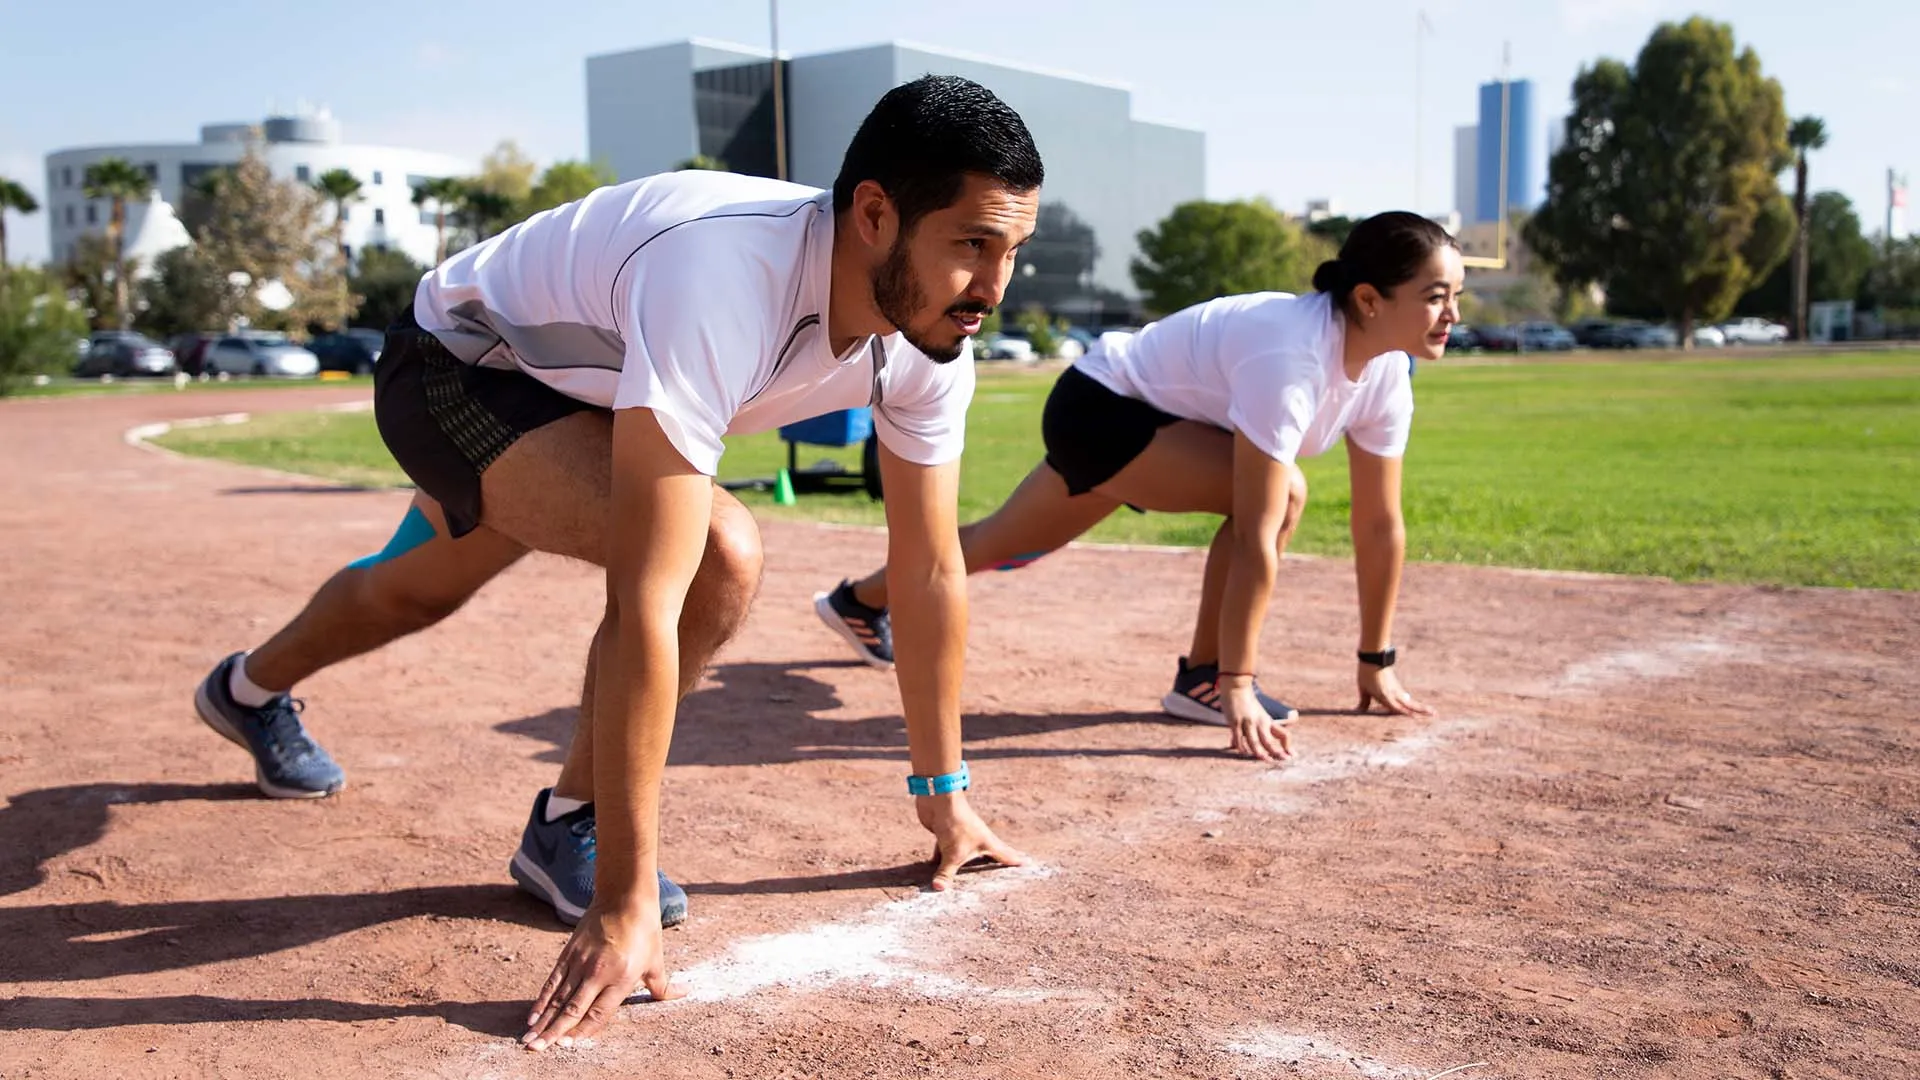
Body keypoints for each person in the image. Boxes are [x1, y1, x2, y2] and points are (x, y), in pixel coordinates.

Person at [192, 74, 1043, 1051]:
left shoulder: (931, 342)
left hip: (590, 386)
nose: (993, 288)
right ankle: (572, 827)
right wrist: (622, 898)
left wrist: (945, 798)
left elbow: (930, 573)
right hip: (460, 366)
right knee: (718, 555)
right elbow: (649, 595)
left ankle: (248, 689)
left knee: (415, 587)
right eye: (972, 245)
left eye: (1013, 250)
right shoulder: (724, 275)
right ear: (876, 215)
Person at [815, 212, 1460, 762]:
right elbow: (1259, 527)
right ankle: (1206, 679)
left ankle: (858, 603)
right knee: (1282, 495)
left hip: (1155, 423)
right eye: (1436, 296)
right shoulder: (1290, 351)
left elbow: (1380, 526)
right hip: (1102, 409)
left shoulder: (1385, 376)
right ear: (1371, 300)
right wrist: (1239, 681)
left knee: (994, 543)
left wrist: (1377, 660)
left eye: (1456, 296)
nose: (1452, 314)